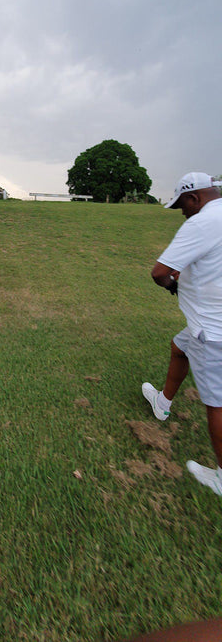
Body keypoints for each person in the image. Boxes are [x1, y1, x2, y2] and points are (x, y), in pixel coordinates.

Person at [142, 172, 222, 496]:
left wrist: (173, 284)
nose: (182, 213)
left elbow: (159, 273)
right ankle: (162, 403)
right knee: (178, 346)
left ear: (194, 198)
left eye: (181, 206)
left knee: (216, 405)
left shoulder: (201, 223)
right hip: (205, 325)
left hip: (211, 330)